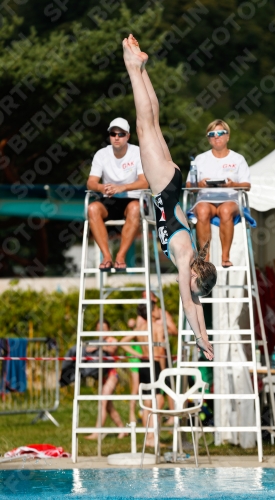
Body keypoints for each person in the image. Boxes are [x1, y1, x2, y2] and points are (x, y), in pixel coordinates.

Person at [122, 34, 216, 360]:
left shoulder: (192, 261)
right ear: (195, 276)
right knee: (144, 125)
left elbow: (197, 302)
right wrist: (199, 337)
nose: (191, 291)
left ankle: (142, 68)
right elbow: (189, 303)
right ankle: (134, 69)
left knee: (153, 123)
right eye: (193, 286)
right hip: (163, 186)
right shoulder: (184, 259)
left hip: (171, 181)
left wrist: (204, 338)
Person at [185, 119, 251, 267]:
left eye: (221, 133)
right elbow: (189, 185)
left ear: (228, 136)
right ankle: (205, 257)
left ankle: (225, 256)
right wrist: (200, 184)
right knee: (201, 211)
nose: (217, 136)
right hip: (205, 199)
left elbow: (247, 185)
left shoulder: (238, 159)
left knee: (226, 210)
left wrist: (232, 184)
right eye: (212, 134)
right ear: (208, 139)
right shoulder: (200, 159)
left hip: (230, 199)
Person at [87, 117, 149, 272]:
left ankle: (120, 256)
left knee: (135, 208)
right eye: (113, 133)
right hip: (110, 199)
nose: (116, 137)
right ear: (109, 136)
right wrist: (102, 188)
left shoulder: (138, 153)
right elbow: (91, 183)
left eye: (121, 134)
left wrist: (123, 188)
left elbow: (145, 182)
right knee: (92, 208)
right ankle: (107, 256)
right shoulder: (101, 154)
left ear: (128, 136)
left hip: (133, 199)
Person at [121, 303, 165, 447]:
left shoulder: (140, 329)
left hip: (144, 364)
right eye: (157, 308)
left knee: (147, 403)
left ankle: (148, 437)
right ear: (152, 312)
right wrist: (163, 371)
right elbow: (161, 352)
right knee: (158, 400)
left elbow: (123, 343)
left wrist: (139, 354)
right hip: (154, 364)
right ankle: (151, 437)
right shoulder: (158, 328)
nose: (159, 311)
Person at [85, 321, 127, 440]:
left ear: (108, 329)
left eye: (103, 328)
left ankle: (97, 433)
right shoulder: (98, 341)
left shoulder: (112, 340)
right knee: (109, 407)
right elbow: (87, 349)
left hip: (112, 375)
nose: (101, 331)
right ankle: (123, 430)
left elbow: (112, 349)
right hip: (102, 376)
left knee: (102, 402)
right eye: (99, 329)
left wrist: (99, 345)